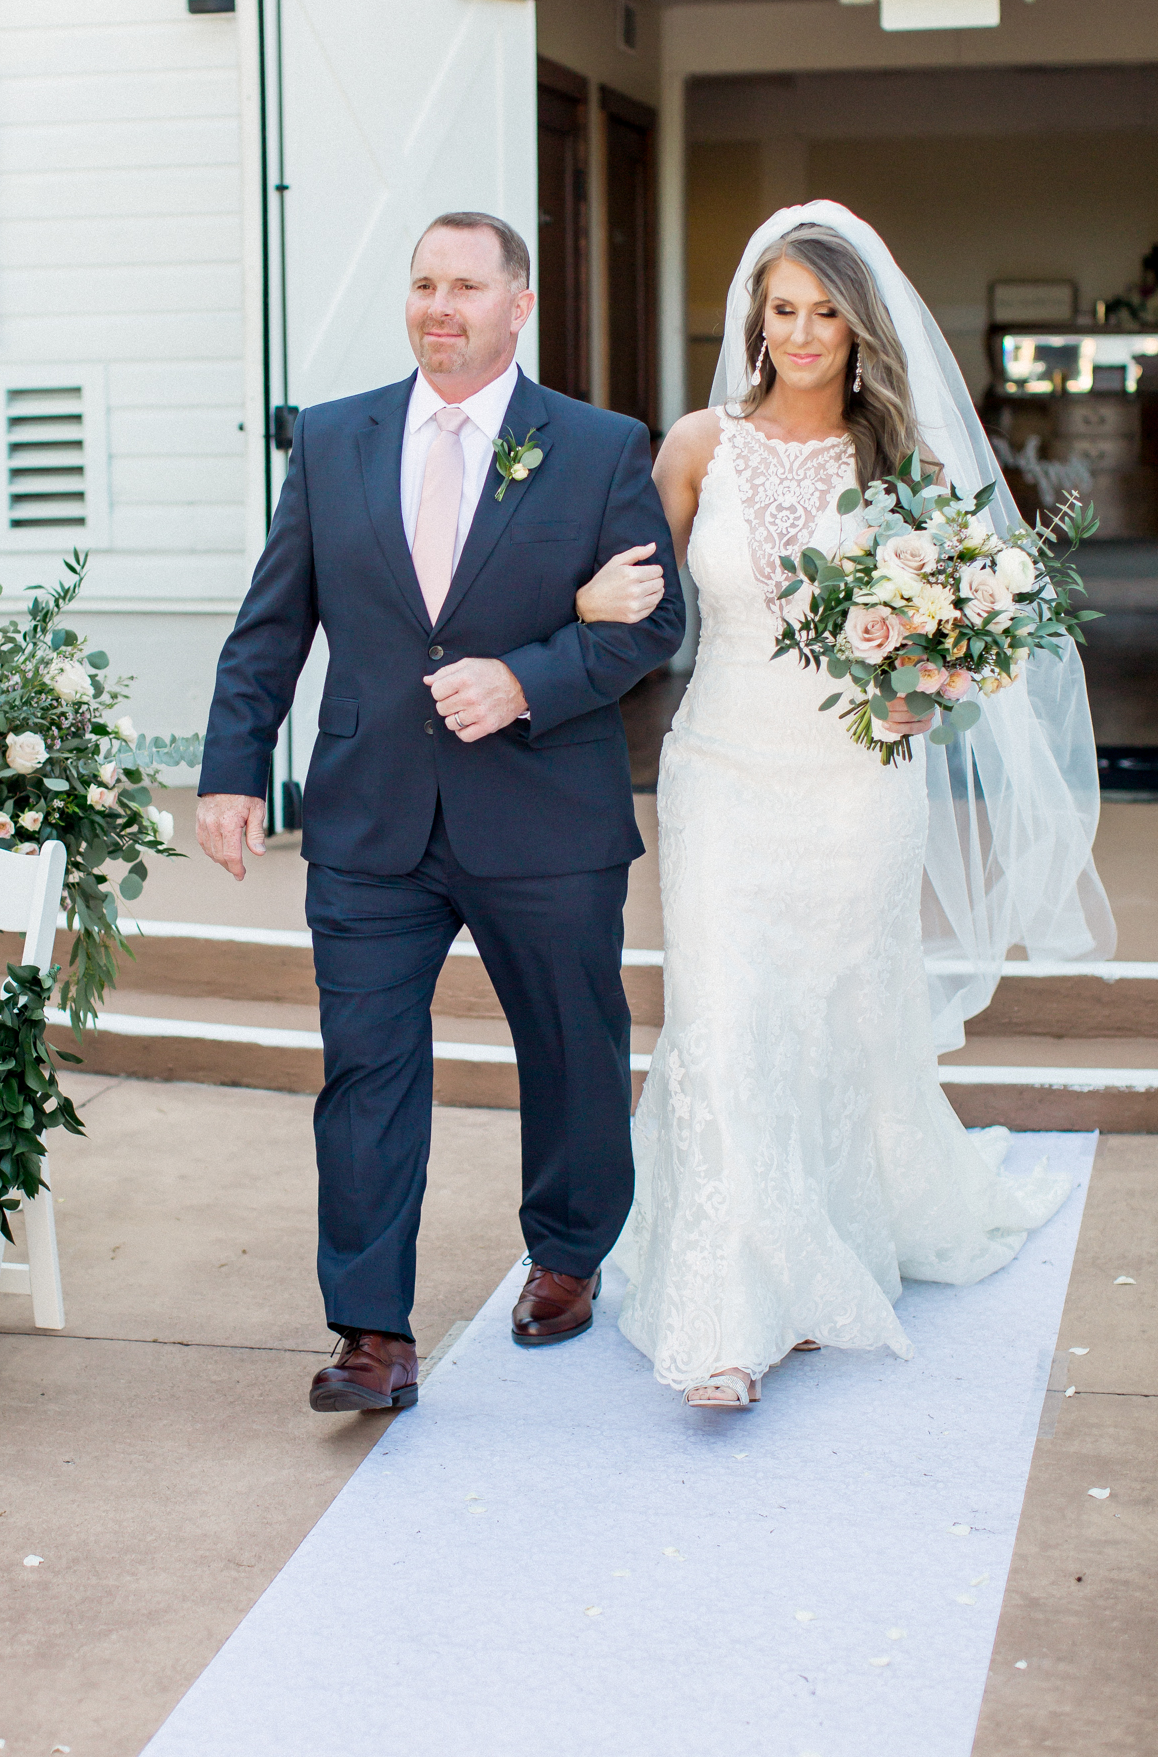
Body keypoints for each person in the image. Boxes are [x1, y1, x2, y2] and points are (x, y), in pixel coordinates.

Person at [574, 202, 1114, 1408]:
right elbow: (642, 597)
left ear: (859, 325)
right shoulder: (697, 443)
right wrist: (587, 605)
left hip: (858, 781)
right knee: (722, 1012)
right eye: (783, 309)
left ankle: (818, 1247)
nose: (804, 333)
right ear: (753, 319)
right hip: (718, 768)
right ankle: (724, 1315)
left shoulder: (903, 456)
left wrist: (932, 681)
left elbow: (975, 625)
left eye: (825, 311)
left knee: (830, 1014)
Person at [197, 211, 685, 1413]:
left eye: (466, 285)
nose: (439, 305)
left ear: (519, 303)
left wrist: (527, 676)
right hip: (370, 819)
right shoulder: (330, 438)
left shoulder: (598, 445)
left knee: (570, 1048)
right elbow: (274, 621)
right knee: (365, 1070)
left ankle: (568, 1252)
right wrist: (232, 766)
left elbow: (654, 623)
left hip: (545, 816)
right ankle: (370, 1332)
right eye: (423, 283)